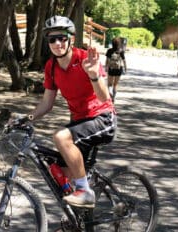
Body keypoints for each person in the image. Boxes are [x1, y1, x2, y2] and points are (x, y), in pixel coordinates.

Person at [26, 16, 117, 208]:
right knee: (55, 169)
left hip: (102, 119)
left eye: (62, 38)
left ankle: (85, 191)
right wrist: (27, 119)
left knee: (60, 137)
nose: (57, 43)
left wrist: (93, 74)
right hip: (80, 123)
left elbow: (104, 97)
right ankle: (76, 222)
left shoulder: (85, 59)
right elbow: (46, 103)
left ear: (71, 39)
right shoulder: (51, 67)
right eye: (52, 39)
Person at [105, 37, 127, 102]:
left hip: (111, 68)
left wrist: (106, 67)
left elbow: (107, 60)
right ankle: (113, 97)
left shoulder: (109, 51)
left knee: (109, 84)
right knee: (115, 84)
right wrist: (125, 68)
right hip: (119, 69)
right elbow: (124, 61)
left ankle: (110, 94)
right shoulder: (121, 51)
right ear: (119, 44)